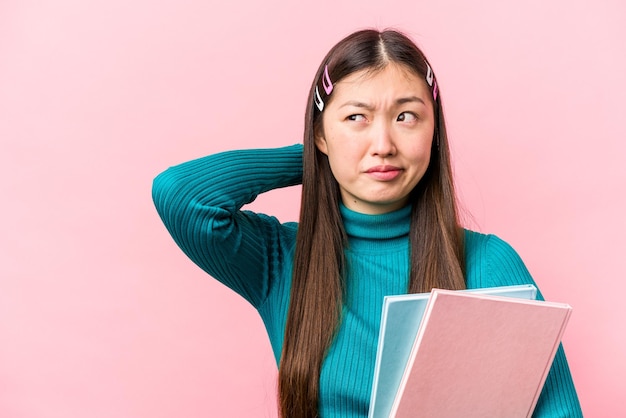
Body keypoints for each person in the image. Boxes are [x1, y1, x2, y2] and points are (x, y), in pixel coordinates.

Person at [152, 29, 582, 418]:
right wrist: (319, 159)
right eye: (356, 118)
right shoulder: (280, 260)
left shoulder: (488, 263)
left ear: (435, 134)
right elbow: (182, 195)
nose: (382, 145)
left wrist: (341, 147)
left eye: (406, 117)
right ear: (320, 133)